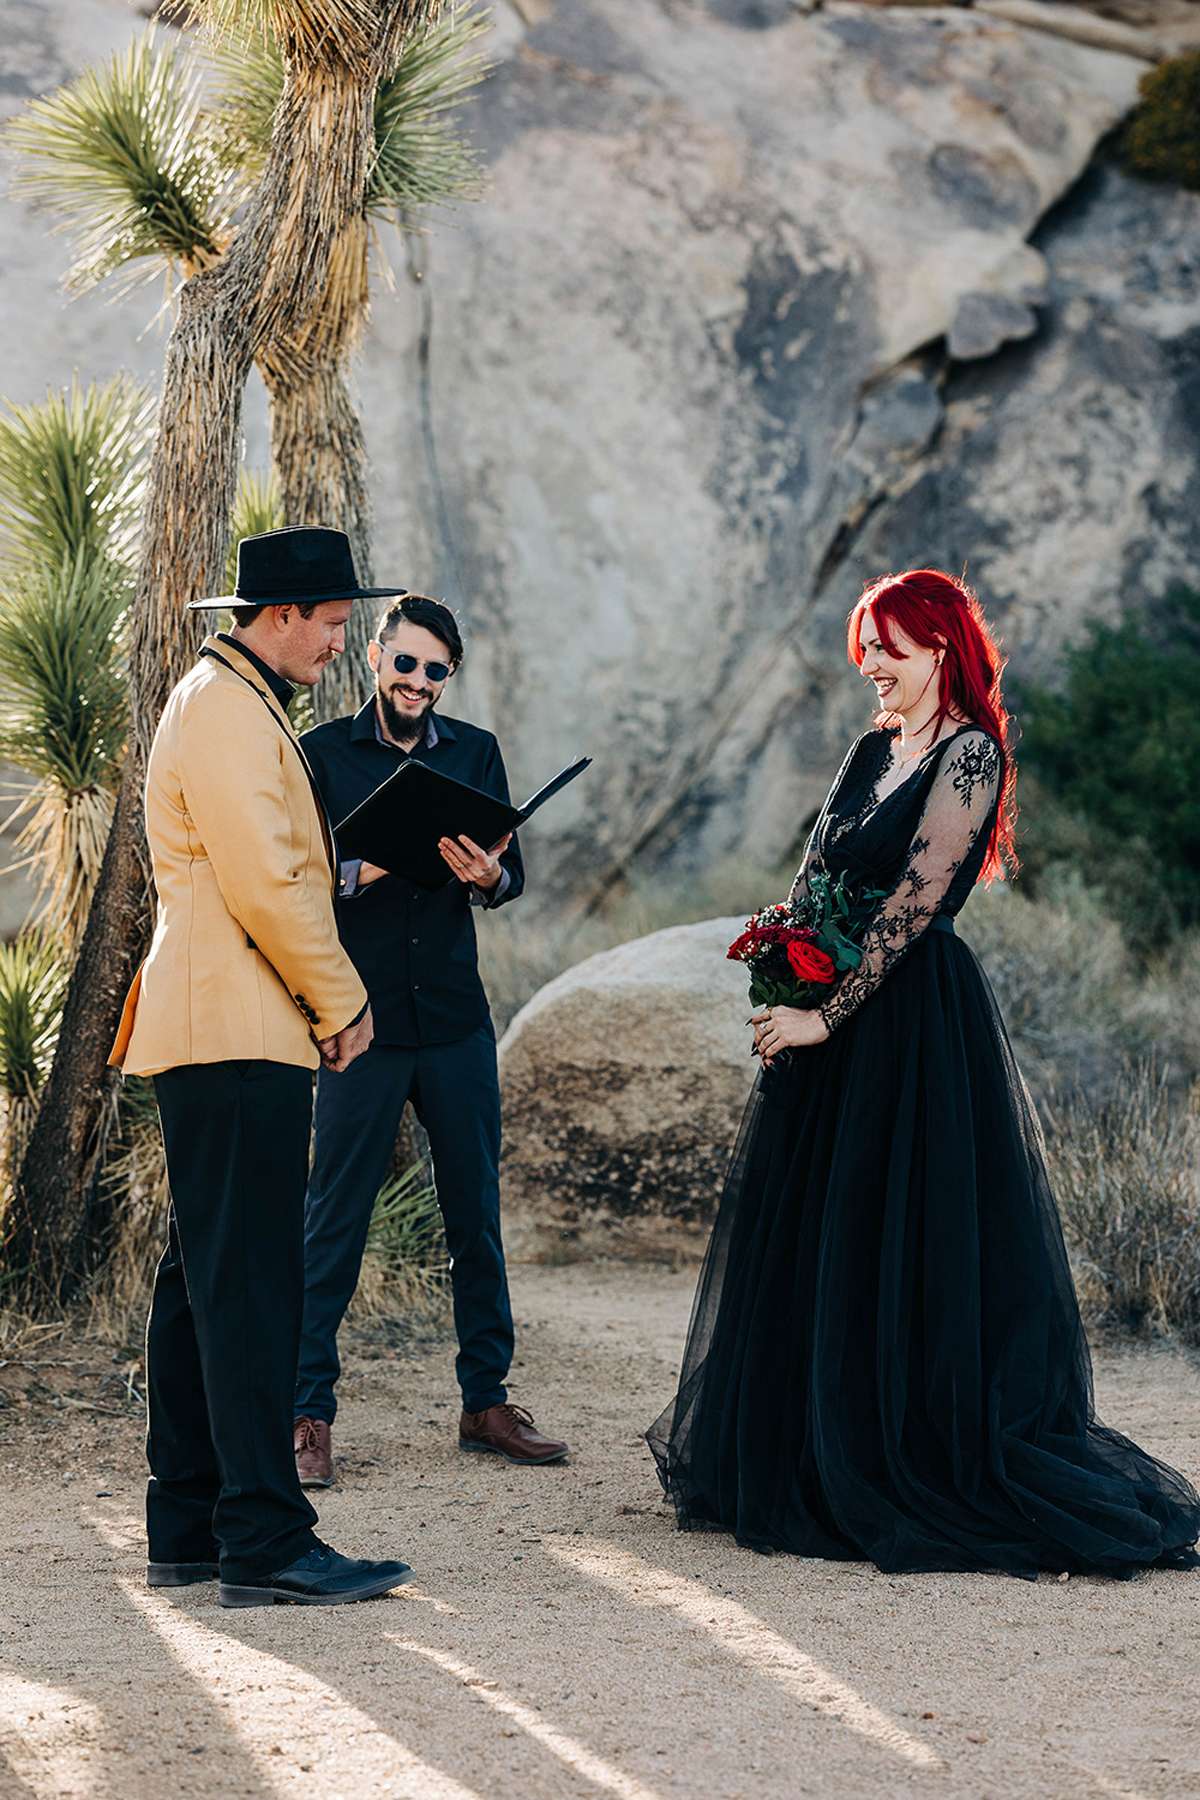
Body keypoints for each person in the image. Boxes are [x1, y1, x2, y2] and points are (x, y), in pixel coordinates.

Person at [647, 568, 1200, 1578]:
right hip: (830, 1018)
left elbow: (913, 903)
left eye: (888, 648)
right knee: (824, 1237)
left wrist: (824, 1015)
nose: (871, 665)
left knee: (904, 1233)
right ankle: (812, 1453)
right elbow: (815, 877)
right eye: (864, 648)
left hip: (910, 1023)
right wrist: (784, 968)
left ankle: (903, 1456)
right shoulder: (871, 749)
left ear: (940, 646)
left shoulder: (970, 753)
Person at [110, 525, 418, 1607]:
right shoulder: (228, 710)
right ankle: (266, 1541)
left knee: (204, 1280)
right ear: (280, 616)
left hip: (222, 1024)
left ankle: (191, 1525)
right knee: (245, 1286)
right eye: (331, 623)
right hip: (238, 1027)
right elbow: (270, 884)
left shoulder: (229, 699)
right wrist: (343, 1000)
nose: (340, 644)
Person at [292, 593, 569, 1486]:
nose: (418, 680)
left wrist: (489, 876)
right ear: (376, 657)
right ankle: (305, 1414)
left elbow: (510, 874)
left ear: (450, 676)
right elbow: (296, 875)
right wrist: (371, 864)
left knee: (474, 1215)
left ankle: (486, 1403)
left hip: (454, 1021)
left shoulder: (476, 752)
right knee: (333, 1218)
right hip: (359, 1022)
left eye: (435, 669)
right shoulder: (322, 753)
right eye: (405, 662)